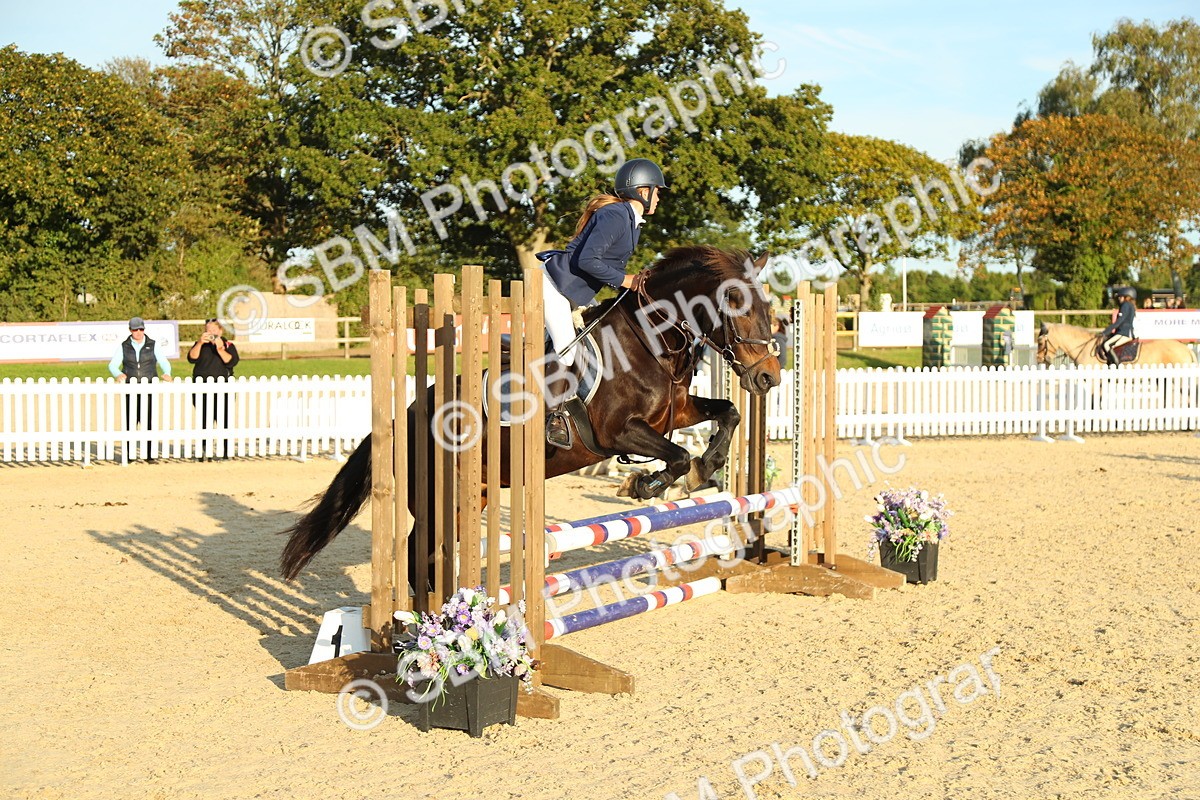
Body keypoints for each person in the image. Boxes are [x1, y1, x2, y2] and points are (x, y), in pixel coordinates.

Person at [536, 157, 667, 448]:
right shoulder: (617, 216)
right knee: (567, 350)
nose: (658, 197)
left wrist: (629, 282)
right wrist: (625, 281)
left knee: (595, 339)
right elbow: (587, 259)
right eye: (656, 191)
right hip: (555, 286)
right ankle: (551, 418)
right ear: (642, 192)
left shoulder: (632, 220)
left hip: (576, 290)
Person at [109, 316, 173, 462]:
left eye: (141, 329)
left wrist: (167, 373)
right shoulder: (123, 346)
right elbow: (113, 365)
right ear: (130, 330)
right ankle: (129, 454)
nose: (138, 332)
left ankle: (150, 455)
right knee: (130, 421)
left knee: (148, 420)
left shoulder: (153, 344)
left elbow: (163, 361)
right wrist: (118, 374)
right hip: (130, 387)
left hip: (149, 385)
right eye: (135, 329)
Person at [187, 318, 240, 460]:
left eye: (214, 330)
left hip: (223, 389)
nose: (211, 333)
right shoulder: (201, 345)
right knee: (204, 420)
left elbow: (231, 361)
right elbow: (192, 358)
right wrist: (199, 343)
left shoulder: (228, 345)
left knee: (223, 421)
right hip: (202, 388)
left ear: (220, 331)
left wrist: (220, 348)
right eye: (208, 330)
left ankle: (225, 451)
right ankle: (204, 451)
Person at [1100, 287, 1137, 365]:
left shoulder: (1125, 305)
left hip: (1124, 333)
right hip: (1126, 332)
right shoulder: (1131, 305)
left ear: (1126, 297)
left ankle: (1116, 366)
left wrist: (1106, 332)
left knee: (1106, 345)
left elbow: (1119, 322)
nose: (1119, 299)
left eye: (1120, 297)